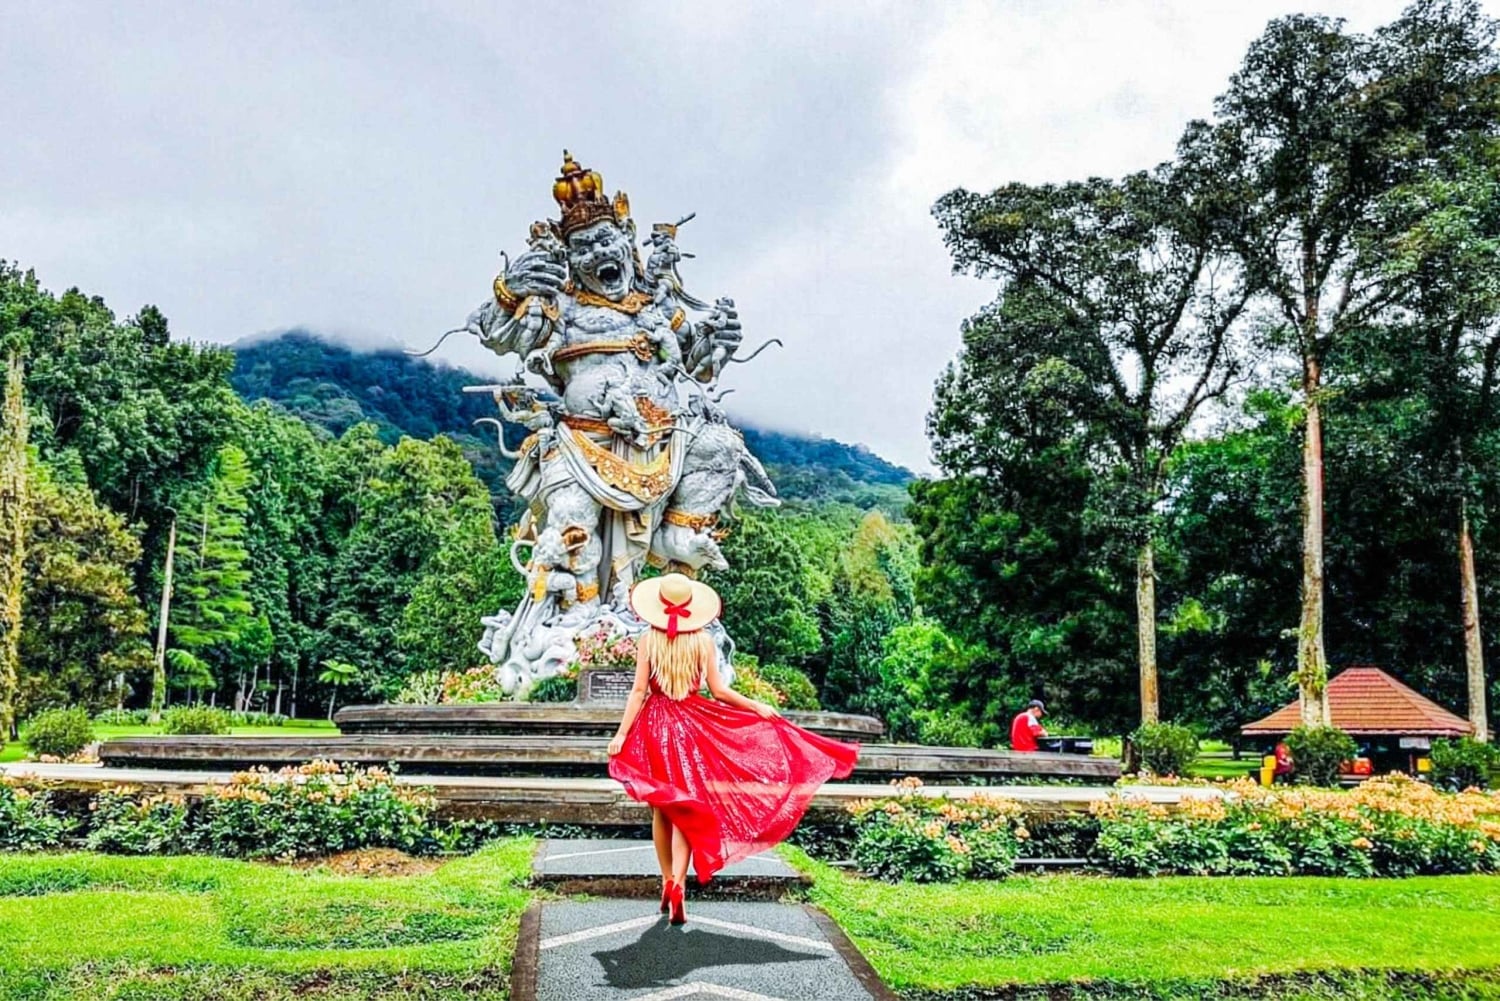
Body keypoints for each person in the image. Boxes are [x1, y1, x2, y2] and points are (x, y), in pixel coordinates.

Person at [607, 573, 860, 925]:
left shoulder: (649, 640)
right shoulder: (704, 642)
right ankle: (680, 883)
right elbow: (720, 691)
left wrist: (621, 734)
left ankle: (666, 880)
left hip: (657, 726)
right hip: (691, 728)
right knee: (686, 809)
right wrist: (757, 706)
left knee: (661, 811)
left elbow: (638, 692)